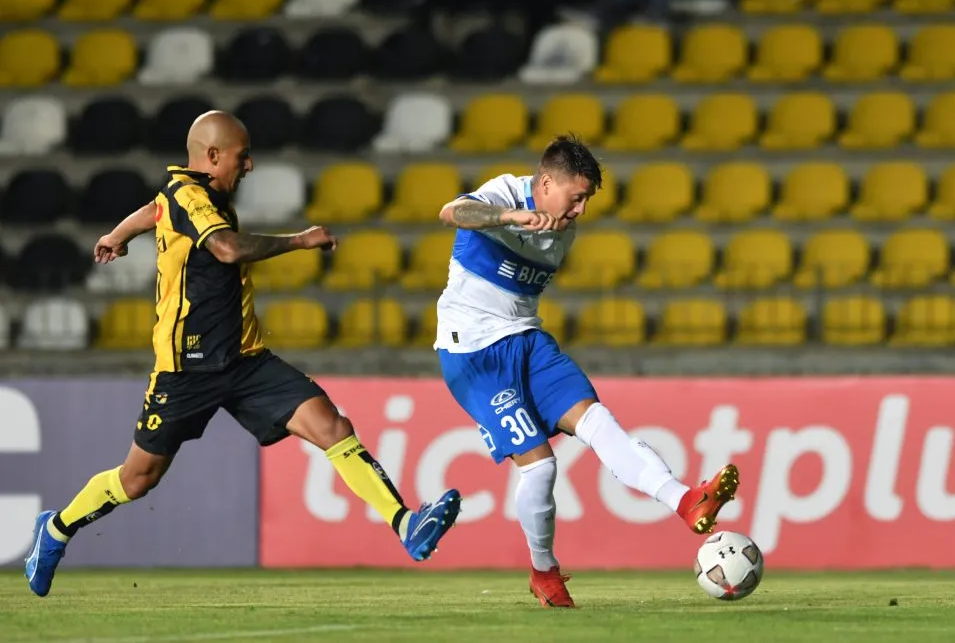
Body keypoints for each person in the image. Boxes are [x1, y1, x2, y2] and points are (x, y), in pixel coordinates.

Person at [24, 111, 462, 598]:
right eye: (241, 155)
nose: (249, 165)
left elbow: (152, 211)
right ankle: (57, 529)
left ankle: (405, 524)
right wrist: (299, 240)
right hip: (185, 370)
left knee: (332, 426)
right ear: (212, 157)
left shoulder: (194, 196)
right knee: (137, 479)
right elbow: (228, 250)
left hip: (245, 358)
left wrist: (116, 235)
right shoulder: (190, 197)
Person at [433, 134, 739, 608]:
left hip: (526, 340)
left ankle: (685, 501)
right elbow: (452, 213)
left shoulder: (562, 229)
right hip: (473, 352)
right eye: (576, 198)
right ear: (546, 182)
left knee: (599, 422)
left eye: (586, 201)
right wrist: (509, 216)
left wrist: (530, 223)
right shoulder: (503, 193)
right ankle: (543, 572)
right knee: (540, 469)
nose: (580, 211)